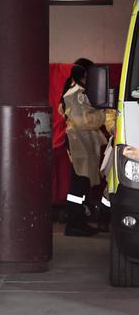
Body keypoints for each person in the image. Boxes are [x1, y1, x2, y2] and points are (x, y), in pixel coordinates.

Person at [59, 58, 107, 236]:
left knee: (83, 182)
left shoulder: (80, 91)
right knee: (79, 183)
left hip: (82, 141)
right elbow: (83, 121)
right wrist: (101, 114)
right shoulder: (75, 93)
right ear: (85, 73)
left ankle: (79, 221)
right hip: (78, 141)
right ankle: (74, 223)